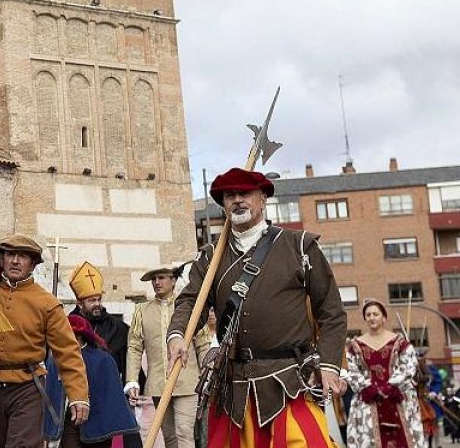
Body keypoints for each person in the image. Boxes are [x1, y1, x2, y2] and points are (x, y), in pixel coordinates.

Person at [167, 167, 347, 446]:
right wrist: (178, 334)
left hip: (289, 378)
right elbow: (191, 302)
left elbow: (331, 311)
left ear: (263, 198)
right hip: (234, 383)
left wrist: (329, 365)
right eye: (230, 196)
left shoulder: (299, 246)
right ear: (224, 205)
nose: (238, 200)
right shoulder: (211, 257)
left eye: (245, 193)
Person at [0, 233, 90, 448]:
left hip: (27, 388)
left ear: (32, 264)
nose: (15, 260)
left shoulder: (47, 303)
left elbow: (68, 352)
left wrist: (78, 396)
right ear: (1, 260)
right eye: (10, 254)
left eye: (23, 256)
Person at [124, 265, 211, 448]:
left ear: (173, 280)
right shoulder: (142, 310)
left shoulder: (186, 308)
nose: (156, 282)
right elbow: (134, 347)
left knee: (184, 432)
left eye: (161, 278)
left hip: (187, 381)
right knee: (169, 436)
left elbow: (203, 344)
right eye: (153, 279)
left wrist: (207, 376)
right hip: (158, 383)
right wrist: (132, 380)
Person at [344, 298, 424, 448]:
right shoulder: (356, 345)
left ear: (384, 317)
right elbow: (351, 369)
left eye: (375, 314)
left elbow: (409, 364)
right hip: (368, 400)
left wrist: (392, 386)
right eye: (368, 315)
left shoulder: (399, 342)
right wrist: (368, 387)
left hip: (398, 397)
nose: (372, 318)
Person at [61, 315, 139, 448]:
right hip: (70, 418)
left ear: (78, 336)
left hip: (98, 419)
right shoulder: (58, 359)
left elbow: (112, 395)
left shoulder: (103, 359)